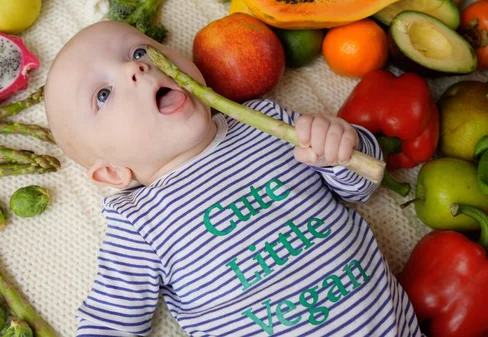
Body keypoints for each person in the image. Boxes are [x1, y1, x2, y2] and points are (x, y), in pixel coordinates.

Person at [44, 20, 422, 337]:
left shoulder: (263, 120)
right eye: (104, 94)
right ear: (111, 171)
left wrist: (341, 146)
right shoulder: (139, 219)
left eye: (140, 51)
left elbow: (362, 185)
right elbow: (111, 321)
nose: (135, 68)